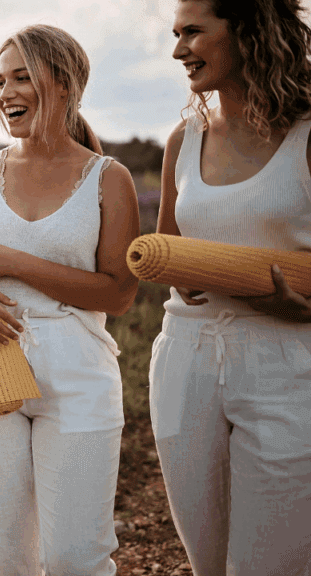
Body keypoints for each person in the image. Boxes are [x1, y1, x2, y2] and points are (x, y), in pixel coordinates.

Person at [0, 24, 140, 575]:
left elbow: (119, 293)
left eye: (23, 77)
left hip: (77, 370)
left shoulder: (108, 179)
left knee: (77, 557)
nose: (6, 93)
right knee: (9, 561)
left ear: (64, 84)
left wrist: (12, 262)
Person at [152, 1, 311, 573]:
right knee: (208, 563)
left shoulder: (308, 133)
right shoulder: (184, 139)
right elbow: (168, 247)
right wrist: (180, 267)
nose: (178, 50)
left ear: (248, 30)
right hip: (185, 362)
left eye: (193, 32)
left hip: (289, 364)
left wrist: (302, 306)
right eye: (176, 34)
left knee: (272, 563)